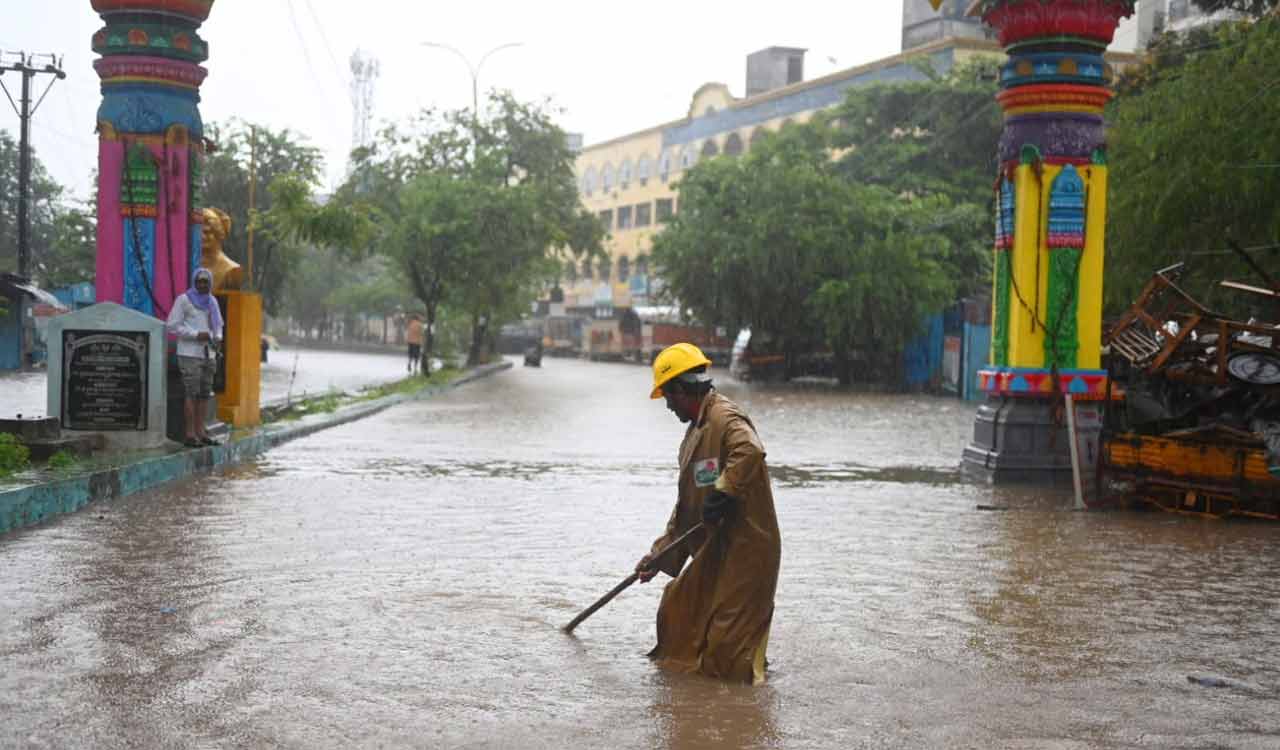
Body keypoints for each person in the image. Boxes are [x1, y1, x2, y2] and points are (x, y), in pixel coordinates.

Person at [635, 342, 781, 684]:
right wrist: (658, 557)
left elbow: (750, 450)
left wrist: (725, 489)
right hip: (714, 551)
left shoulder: (724, 417)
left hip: (746, 552)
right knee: (677, 615)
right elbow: (687, 510)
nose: (668, 406)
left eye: (668, 396)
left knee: (726, 650)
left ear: (682, 389)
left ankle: (744, 697)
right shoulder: (694, 434)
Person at [166, 268, 224, 447]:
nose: (202, 284)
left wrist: (218, 337)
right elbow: (172, 326)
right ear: (194, 282)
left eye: (206, 282)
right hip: (189, 354)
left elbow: (218, 325)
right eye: (199, 281)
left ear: (210, 283)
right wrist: (195, 334)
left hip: (209, 353)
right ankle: (190, 434)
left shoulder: (212, 302)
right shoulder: (184, 300)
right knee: (191, 393)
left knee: (204, 394)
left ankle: (201, 432)